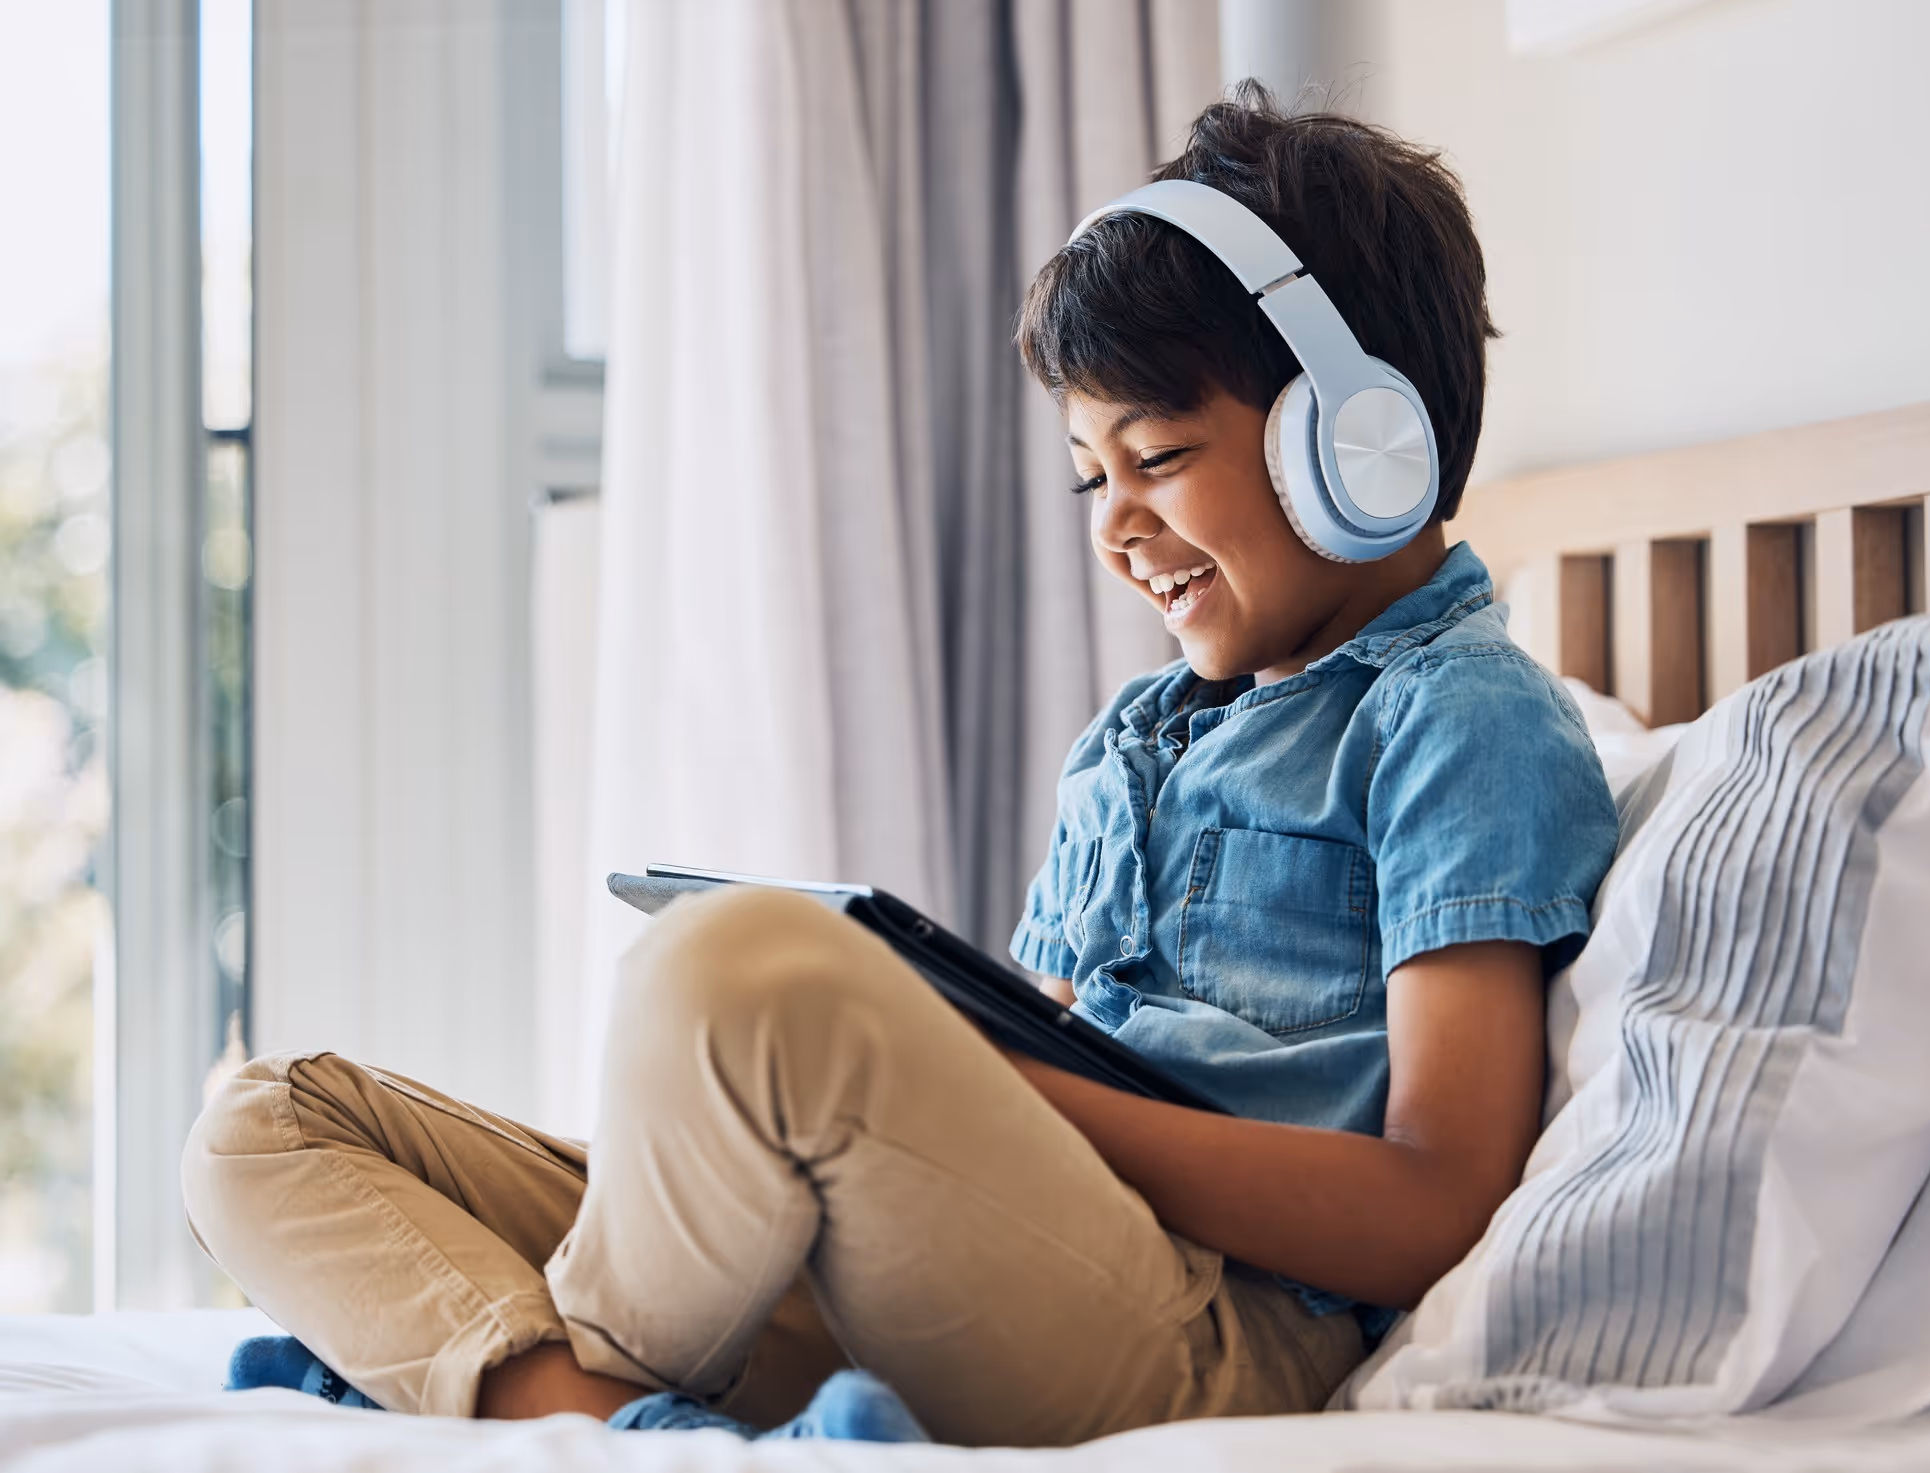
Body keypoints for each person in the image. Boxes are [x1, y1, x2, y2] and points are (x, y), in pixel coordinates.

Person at [181, 85, 1617, 1448]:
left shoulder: (1460, 720)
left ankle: (515, 1393)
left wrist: (1013, 1088)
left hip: (1205, 1328)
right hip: (991, 1262)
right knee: (265, 1125)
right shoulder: (1134, 738)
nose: (1113, 525)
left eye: (1159, 455)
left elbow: (1434, 1204)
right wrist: (980, 1064)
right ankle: (605, 1417)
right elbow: (1033, 1053)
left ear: (1357, 444)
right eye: (1091, 474)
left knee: (736, 968)